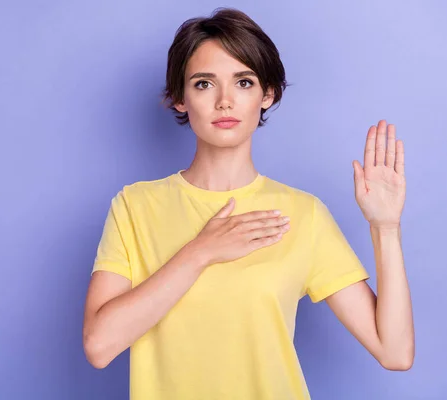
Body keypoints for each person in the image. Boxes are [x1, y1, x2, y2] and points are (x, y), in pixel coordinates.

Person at [82, 7, 414, 400]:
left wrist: (385, 228)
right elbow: (99, 346)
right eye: (204, 84)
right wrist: (199, 252)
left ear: (267, 94)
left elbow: (394, 353)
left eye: (243, 82)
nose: (225, 101)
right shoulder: (135, 207)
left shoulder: (303, 214)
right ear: (179, 98)